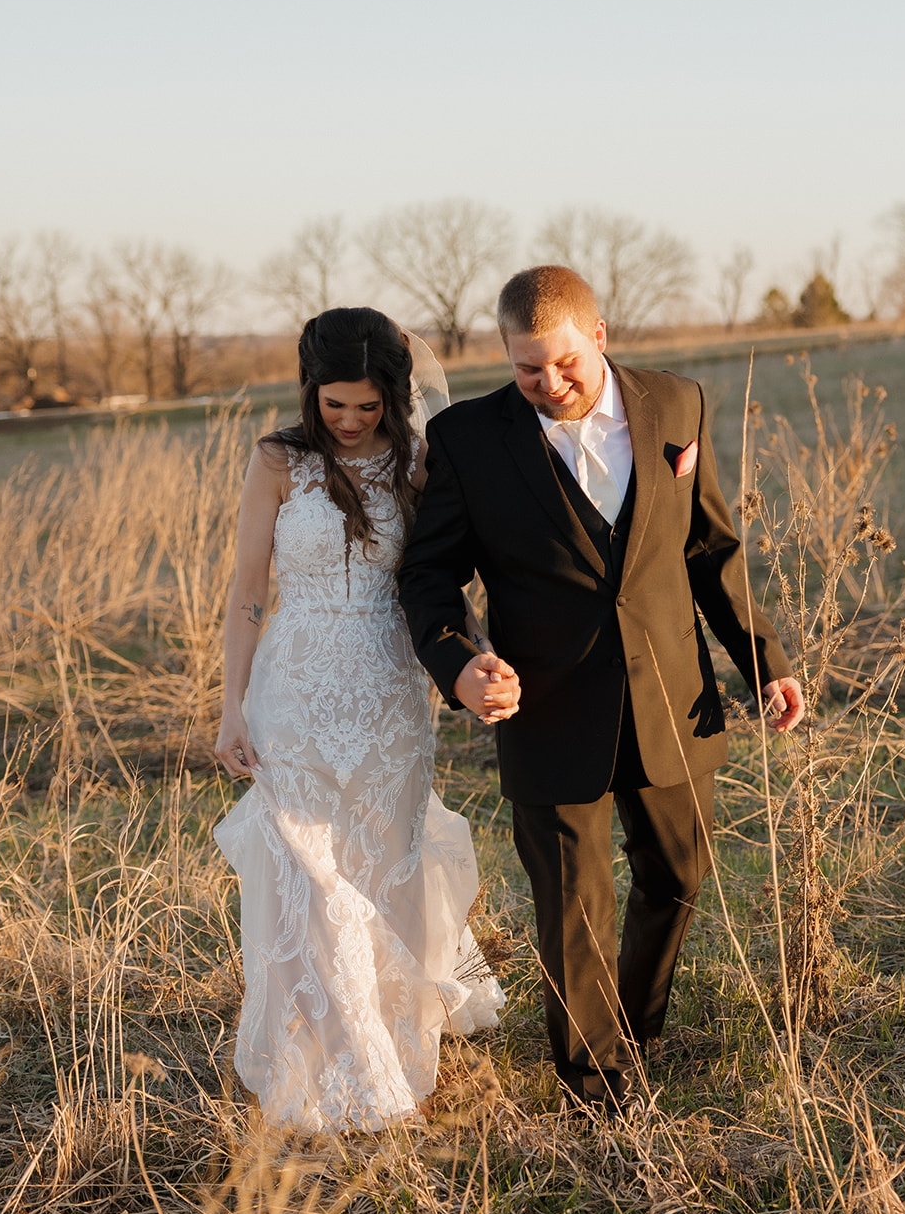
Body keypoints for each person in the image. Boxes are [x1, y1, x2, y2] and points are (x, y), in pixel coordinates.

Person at [398, 265, 804, 1114]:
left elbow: (709, 551)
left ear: (600, 336)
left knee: (680, 874)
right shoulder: (469, 442)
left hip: (672, 697)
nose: (548, 384)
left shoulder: (678, 406)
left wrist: (762, 662)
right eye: (525, 369)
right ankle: (597, 1088)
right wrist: (459, 664)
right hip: (544, 709)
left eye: (563, 363)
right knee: (573, 908)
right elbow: (429, 578)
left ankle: (634, 1020)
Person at [214, 307, 505, 1133]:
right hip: (291, 692)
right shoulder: (277, 461)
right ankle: (355, 1070)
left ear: (395, 396)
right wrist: (231, 707)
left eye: (367, 406)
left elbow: (443, 579)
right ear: (310, 392)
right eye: (334, 405)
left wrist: (476, 659)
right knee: (311, 878)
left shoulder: (418, 461)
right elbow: (245, 596)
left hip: (386, 690)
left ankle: (391, 1033)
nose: (349, 420)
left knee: (382, 868)